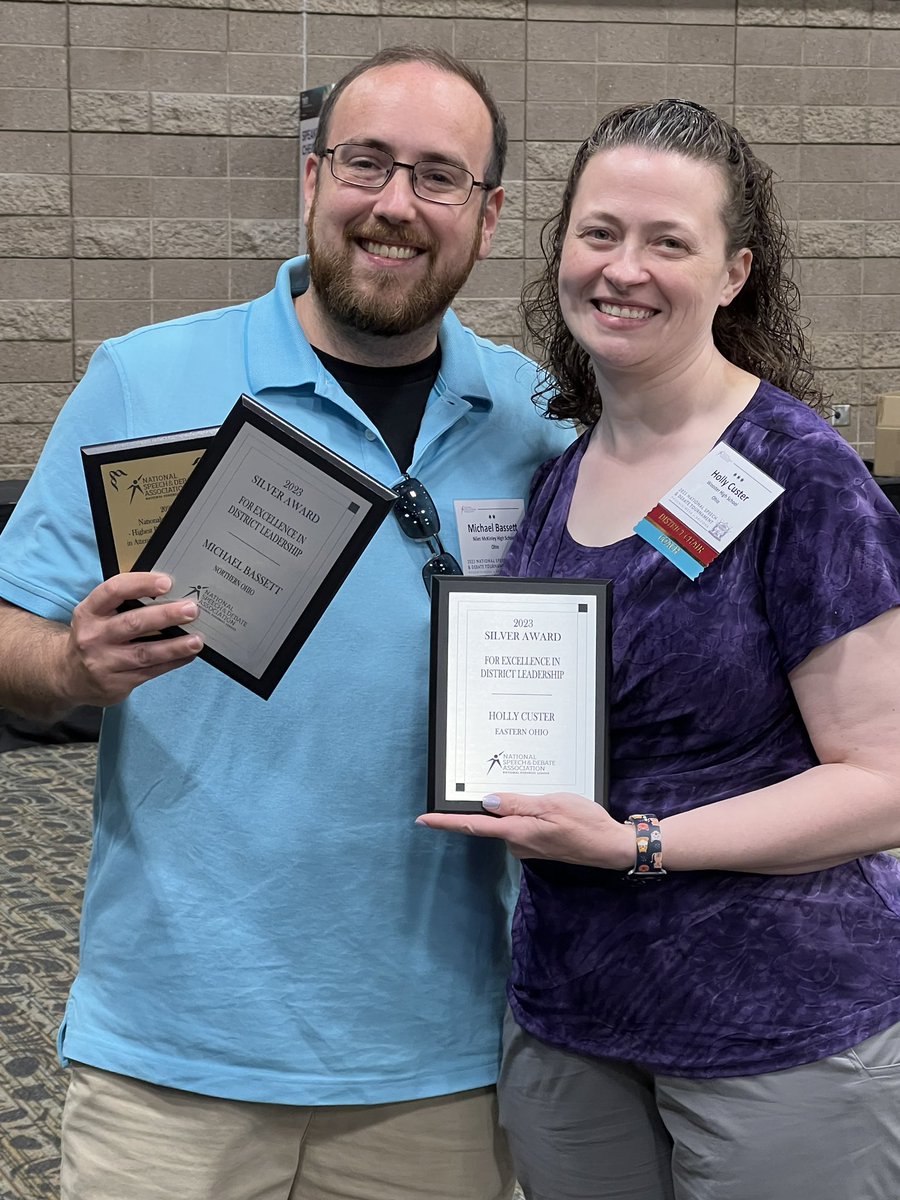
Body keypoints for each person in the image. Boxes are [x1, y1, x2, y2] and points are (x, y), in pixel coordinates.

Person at [0, 47, 572, 1200]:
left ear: (490, 213)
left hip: (442, 1062)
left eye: (438, 176)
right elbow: (12, 639)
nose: (395, 205)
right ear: (311, 179)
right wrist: (71, 660)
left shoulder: (538, 418)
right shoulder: (143, 380)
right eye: (366, 163)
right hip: (173, 1057)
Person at [418, 99, 900, 1200]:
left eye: (667, 242)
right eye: (600, 233)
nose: (623, 270)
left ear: (733, 272)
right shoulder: (558, 474)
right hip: (572, 1016)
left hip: (778, 1029)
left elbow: (887, 785)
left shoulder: (802, 474)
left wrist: (642, 844)